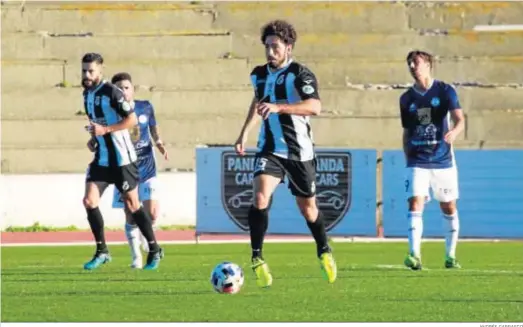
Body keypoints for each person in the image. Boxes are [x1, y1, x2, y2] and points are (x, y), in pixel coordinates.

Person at [234, 20, 337, 287]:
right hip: (269, 148)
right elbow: (258, 101)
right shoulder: (258, 74)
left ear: (288, 47)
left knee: (308, 209)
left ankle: (324, 249)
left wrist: (280, 107)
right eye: (267, 46)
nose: (270, 52)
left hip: (299, 152)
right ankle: (257, 258)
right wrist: (244, 132)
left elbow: (315, 106)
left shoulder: (301, 74)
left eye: (275, 47)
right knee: (259, 196)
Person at [81, 53, 163, 271]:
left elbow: (131, 119)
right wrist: (94, 139)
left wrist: (106, 130)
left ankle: (154, 249)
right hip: (102, 159)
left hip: (122, 159)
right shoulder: (87, 94)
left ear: (100, 71)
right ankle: (102, 251)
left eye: (91, 71)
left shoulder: (112, 93)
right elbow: (96, 121)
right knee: (89, 201)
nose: (87, 75)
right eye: (84, 71)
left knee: (133, 205)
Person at [399, 50, 465, 270]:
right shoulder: (406, 98)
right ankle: (414, 254)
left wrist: (455, 132)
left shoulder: (445, 91)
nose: (412, 66)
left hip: (443, 159)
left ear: (428, 64)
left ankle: (450, 255)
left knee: (448, 206)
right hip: (417, 160)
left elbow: (460, 119)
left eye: (416, 62)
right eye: (409, 63)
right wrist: (406, 153)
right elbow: (407, 130)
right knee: (415, 201)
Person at [109, 72, 168, 269]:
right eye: (118, 89)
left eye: (126, 87)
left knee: (151, 213)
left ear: (133, 89)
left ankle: (147, 237)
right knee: (130, 212)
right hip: (125, 166)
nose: (123, 91)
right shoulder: (111, 112)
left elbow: (153, 127)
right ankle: (136, 258)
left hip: (147, 165)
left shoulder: (145, 107)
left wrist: (158, 142)